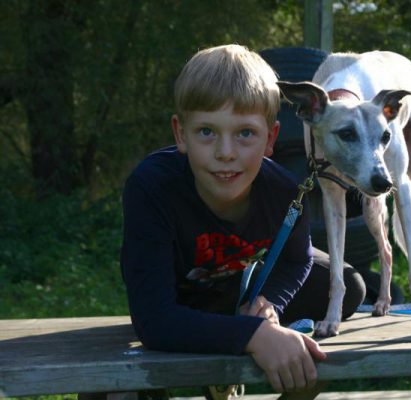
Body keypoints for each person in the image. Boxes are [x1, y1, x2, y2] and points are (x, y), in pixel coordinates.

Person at [120, 44, 365, 396]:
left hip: (239, 289)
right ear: (180, 134)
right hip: (178, 298)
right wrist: (253, 336)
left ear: (271, 139)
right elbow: (152, 321)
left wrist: (269, 304)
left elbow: (298, 258)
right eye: (206, 131)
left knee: (348, 286)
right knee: (113, 388)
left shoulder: (286, 191)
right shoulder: (151, 188)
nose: (226, 152)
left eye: (245, 133)